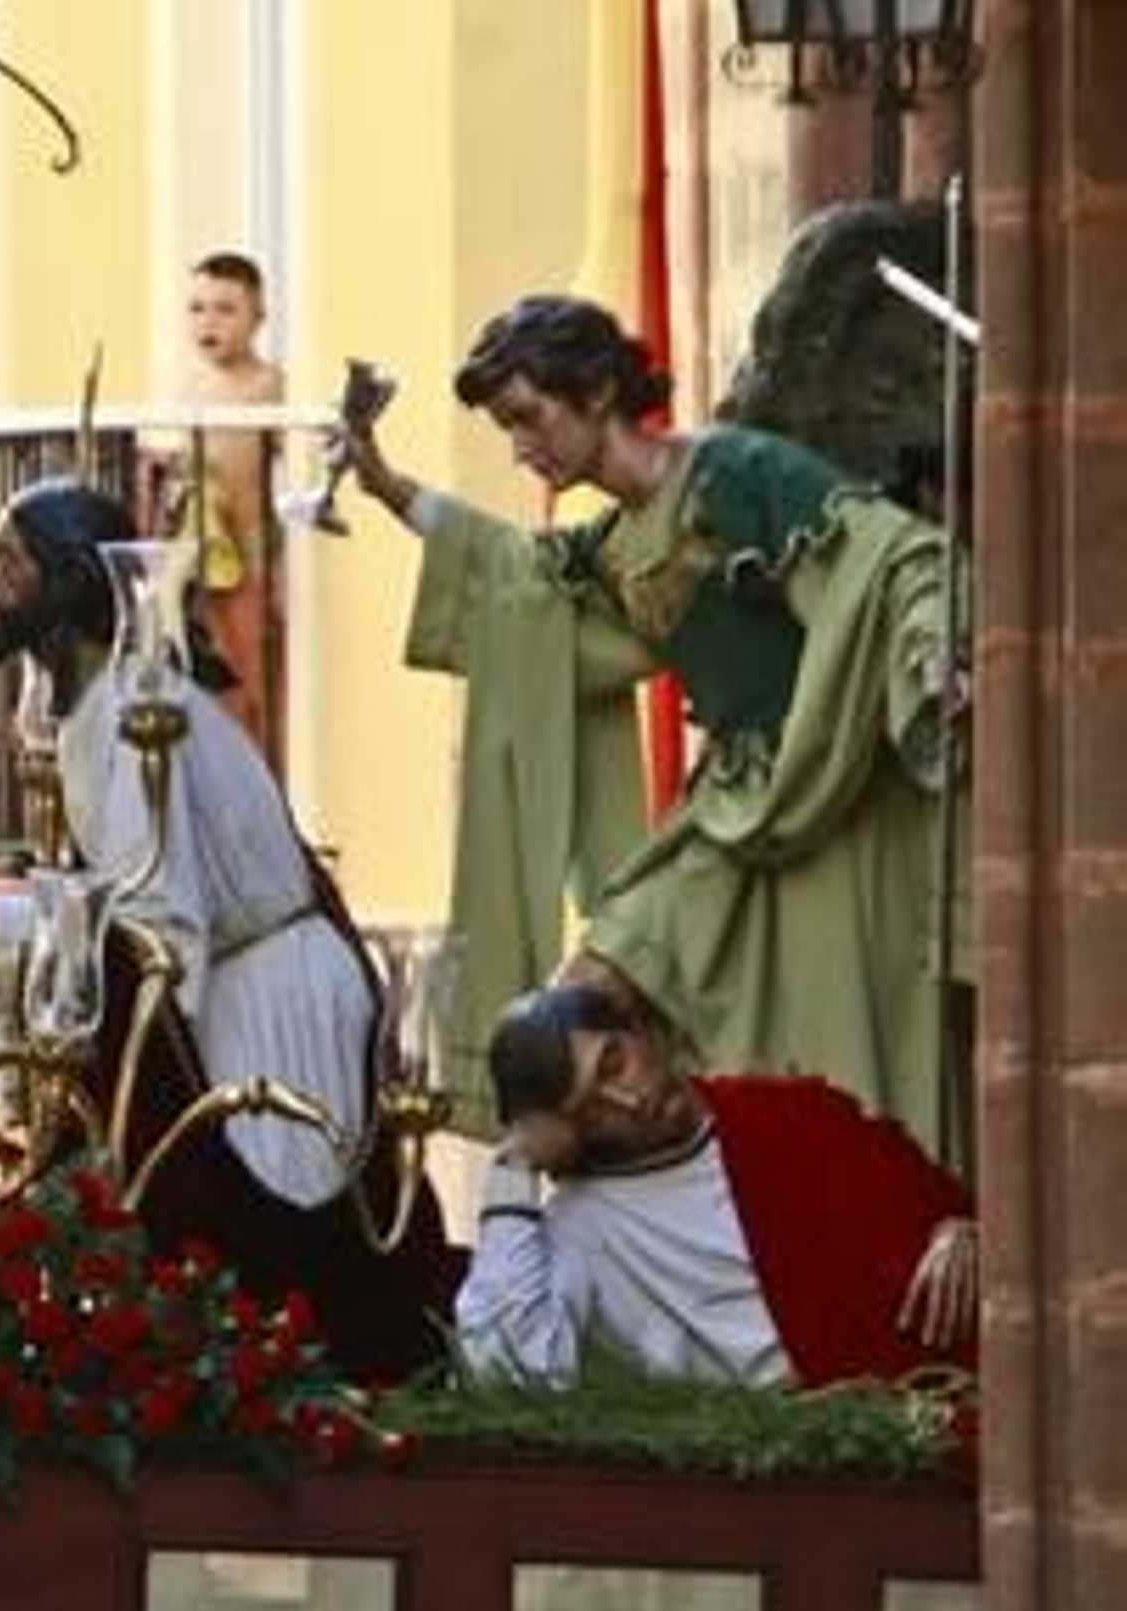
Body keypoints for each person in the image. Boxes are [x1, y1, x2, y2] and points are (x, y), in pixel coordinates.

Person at [350, 293, 969, 1162]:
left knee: (837, 1057)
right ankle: (569, 1227)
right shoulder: (613, 540)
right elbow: (515, 581)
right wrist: (389, 489)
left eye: (528, 418)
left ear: (598, 390)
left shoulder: (734, 474)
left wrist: (933, 657)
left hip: (829, 792)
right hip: (730, 811)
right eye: (507, 429)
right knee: (592, 981)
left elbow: (888, 556)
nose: (522, 447)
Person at [0, 475, 457, 1380]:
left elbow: (157, 913)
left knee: (285, 1244)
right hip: (225, 976)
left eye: (6, 559)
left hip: (268, 985)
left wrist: (34, 974)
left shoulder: (134, 712)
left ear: (71, 583)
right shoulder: (95, 709)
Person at [456, 977, 977, 1388]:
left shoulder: (793, 1117)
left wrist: (963, 1231)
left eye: (615, 1063)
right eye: (592, 1111)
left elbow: (961, 1219)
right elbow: (507, 1373)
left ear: (638, 1028)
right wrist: (512, 1169)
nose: (630, 1101)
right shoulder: (586, 1226)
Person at [177, 252, 286, 765]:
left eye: (225, 309)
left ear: (258, 316)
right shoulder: (191, 386)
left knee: (255, 679)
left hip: (252, 554)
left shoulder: (268, 387)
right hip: (202, 552)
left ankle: (265, 781)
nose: (209, 322)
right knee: (210, 679)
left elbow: (288, 465)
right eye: (197, 309)